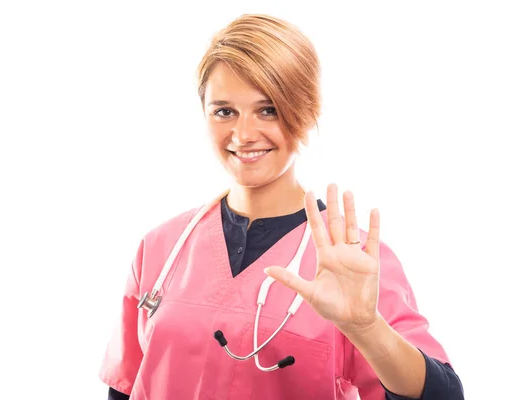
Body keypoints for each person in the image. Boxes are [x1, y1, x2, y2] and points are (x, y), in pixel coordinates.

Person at [99, 13, 464, 399]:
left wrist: (365, 326)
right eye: (224, 111)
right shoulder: (160, 248)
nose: (243, 134)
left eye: (268, 109)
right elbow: (125, 387)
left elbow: (444, 394)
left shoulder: (348, 258)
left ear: (305, 111)